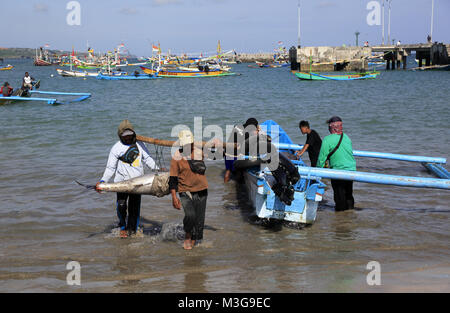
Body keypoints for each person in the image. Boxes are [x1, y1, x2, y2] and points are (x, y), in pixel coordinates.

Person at [96, 120, 159, 238]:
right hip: (121, 183)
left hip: (138, 183)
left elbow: (148, 159)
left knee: (134, 209)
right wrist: (103, 181)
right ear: (120, 136)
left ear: (133, 134)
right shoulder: (116, 148)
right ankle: (123, 227)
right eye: (125, 136)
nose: (128, 138)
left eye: (130, 135)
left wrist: (158, 170)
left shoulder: (140, 144)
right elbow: (110, 168)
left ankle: (132, 231)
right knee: (121, 205)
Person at [169, 130, 209, 250]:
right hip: (185, 190)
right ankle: (187, 234)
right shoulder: (176, 157)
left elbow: (214, 152)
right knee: (190, 215)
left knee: (199, 220)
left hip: (202, 189)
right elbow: (173, 179)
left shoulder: (199, 152)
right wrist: (174, 197)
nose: (188, 146)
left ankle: (194, 240)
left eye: (190, 143)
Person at [317, 116, 356, 211]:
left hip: (338, 171)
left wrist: (317, 172)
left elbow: (321, 159)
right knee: (348, 194)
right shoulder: (346, 137)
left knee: (339, 196)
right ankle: (350, 214)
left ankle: (340, 218)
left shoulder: (327, 139)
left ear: (332, 128)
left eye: (329, 128)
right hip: (351, 170)